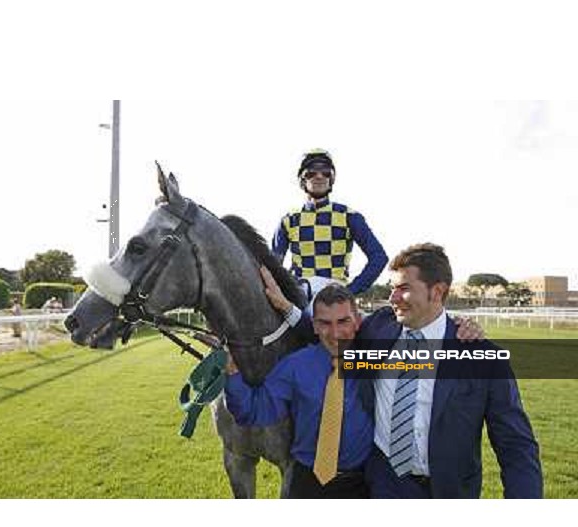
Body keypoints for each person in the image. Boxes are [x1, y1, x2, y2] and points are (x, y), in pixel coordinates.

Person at [360, 243, 543, 498]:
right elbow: (325, 329)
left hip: (449, 492)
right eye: (392, 289)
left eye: (403, 288)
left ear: (437, 291)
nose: (392, 298)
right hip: (383, 485)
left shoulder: (483, 357)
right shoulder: (378, 327)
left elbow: (515, 444)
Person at [225, 284, 374, 499]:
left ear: (358, 322)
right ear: (314, 326)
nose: (334, 334)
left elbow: (429, 361)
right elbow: (254, 411)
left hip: (359, 484)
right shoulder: (294, 366)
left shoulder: (375, 359)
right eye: (324, 323)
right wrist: (233, 376)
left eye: (343, 321)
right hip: (306, 483)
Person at [272, 149, 388, 295]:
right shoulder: (288, 220)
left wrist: (351, 291)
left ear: (331, 179)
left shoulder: (349, 216)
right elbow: (274, 265)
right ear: (302, 179)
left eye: (326, 172)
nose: (319, 176)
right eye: (311, 173)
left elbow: (379, 257)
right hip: (301, 295)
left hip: (335, 295)